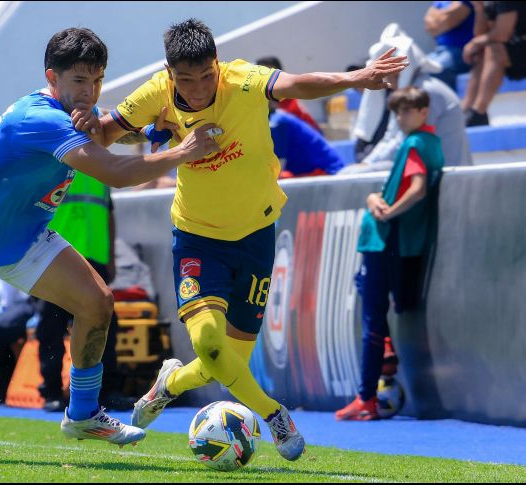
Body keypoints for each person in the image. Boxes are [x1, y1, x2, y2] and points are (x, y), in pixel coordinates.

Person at [0, 27, 220, 457]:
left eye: (96, 81)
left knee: (97, 303)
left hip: (25, 238)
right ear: (51, 79)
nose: (89, 92)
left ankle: (82, 414)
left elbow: (108, 128)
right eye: (79, 81)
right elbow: (113, 171)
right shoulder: (39, 119)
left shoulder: (70, 111)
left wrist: (152, 130)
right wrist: (181, 151)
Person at [79, 18, 407, 462]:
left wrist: (357, 78)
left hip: (256, 235)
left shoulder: (245, 80)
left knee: (228, 357)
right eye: (185, 80)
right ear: (169, 72)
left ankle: (168, 384)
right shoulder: (155, 92)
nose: (196, 89)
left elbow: (299, 83)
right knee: (211, 347)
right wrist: (100, 123)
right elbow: (105, 133)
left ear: (218, 65)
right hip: (196, 239)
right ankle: (274, 417)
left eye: (206, 76)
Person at [336, 87, 444, 420]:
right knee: (364, 289)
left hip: (385, 242)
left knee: (371, 318)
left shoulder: (414, 144)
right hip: (394, 242)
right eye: (397, 112)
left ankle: (366, 397)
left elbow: (417, 187)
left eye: (407, 111)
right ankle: (382, 360)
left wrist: (388, 212)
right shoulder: (430, 143)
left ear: (424, 112)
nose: (400, 117)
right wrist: (374, 199)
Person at [36, 171, 132, 412]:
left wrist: (110, 258)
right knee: (51, 326)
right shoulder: (57, 159)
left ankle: (108, 390)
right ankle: (51, 391)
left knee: (105, 326)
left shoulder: (100, 167)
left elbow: (108, 214)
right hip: (57, 257)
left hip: (95, 258)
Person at [347, 24, 471, 170]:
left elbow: (401, 141)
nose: (389, 82)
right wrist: (367, 163)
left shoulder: (425, 91)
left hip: (449, 174)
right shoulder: (412, 91)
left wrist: (367, 166)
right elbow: (391, 137)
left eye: (393, 76)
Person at [461, 1, 526, 126]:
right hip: (514, 52)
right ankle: (467, 109)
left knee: (493, 48)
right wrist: (479, 9)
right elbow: (481, 34)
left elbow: (502, 34)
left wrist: (474, 43)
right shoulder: (491, 4)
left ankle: (479, 111)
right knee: (481, 52)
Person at [269, 99, 345, 177]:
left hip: (327, 172)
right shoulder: (276, 119)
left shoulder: (277, 122)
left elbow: (276, 169)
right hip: (307, 172)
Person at [254, 56, 323, 133]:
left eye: (270, 76)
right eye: (262, 75)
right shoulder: (257, 100)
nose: (267, 80)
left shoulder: (287, 103)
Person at [424, 1, 476, 89]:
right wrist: (446, 13)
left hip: (463, 50)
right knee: (419, 69)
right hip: (440, 50)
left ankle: (447, 102)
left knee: (439, 69)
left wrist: (437, 15)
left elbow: (447, 22)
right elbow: (430, 27)